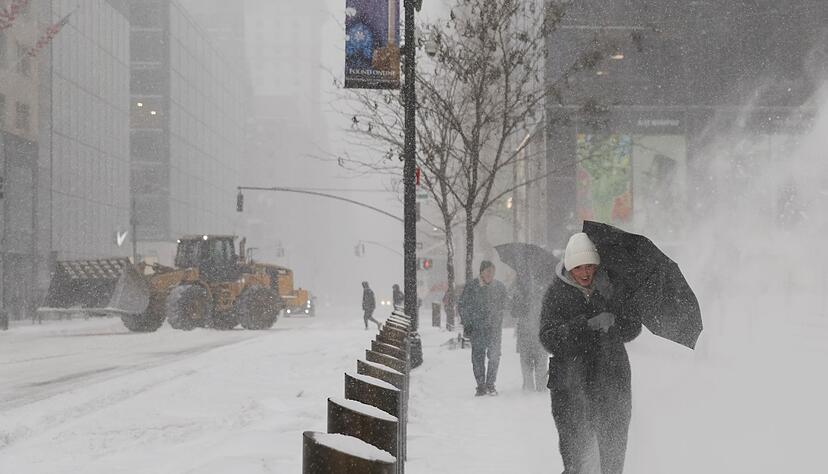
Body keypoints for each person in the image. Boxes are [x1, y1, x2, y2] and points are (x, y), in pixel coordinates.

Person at [539, 232, 641, 474]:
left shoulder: (610, 289)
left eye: (589, 267)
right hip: (570, 386)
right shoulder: (556, 294)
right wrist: (587, 325)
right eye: (578, 268)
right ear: (568, 267)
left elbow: (632, 328)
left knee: (612, 455)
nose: (585, 273)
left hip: (611, 381)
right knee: (577, 458)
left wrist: (616, 319)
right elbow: (548, 337)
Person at [458, 260, 508, 396]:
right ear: (481, 272)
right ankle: (481, 385)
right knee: (478, 358)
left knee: (494, 357)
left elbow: (506, 304)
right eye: (488, 271)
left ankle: (490, 384)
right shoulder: (472, 287)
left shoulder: (499, 287)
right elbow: (462, 306)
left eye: (493, 271)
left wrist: (499, 314)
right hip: (477, 329)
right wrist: (469, 321)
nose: (490, 274)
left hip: (494, 329)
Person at [511, 276, 548, 392]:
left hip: (540, 331)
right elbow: (514, 312)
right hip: (525, 332)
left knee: (541, 362)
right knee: (527, 363)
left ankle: (540, 388)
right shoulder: (519, 290)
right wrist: (519, 302)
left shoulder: (545, 290)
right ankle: (529, 389)